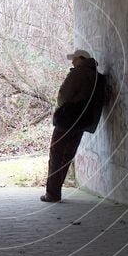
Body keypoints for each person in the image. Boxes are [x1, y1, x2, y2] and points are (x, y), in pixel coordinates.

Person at [41, 49, 105, 202]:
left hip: (67, 120)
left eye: (74, 59)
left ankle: (52, 193)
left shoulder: (78, 73)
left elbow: (63, 95)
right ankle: (55, 191)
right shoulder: (97, 77)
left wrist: (62, 108)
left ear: (81, 59)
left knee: (56, 154)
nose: (72, 62)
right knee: (68, 155)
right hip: (83, 121)